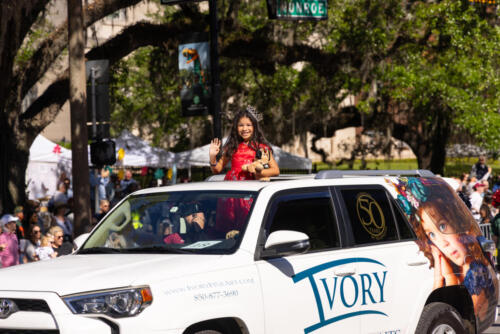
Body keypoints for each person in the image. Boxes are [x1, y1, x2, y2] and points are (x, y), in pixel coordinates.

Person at [208, 106, 279, 237]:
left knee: (248, 226)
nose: (245, 129)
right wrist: (212, 156)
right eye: (241, 125)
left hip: (250, 191)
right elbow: (216, 169)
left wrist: (257, 173)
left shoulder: (262, 147)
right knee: (228, 229)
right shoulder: (231, 146)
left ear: (254, 127)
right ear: (236, 127)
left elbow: (275, 170)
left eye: (248, 125)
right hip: (231, 192)